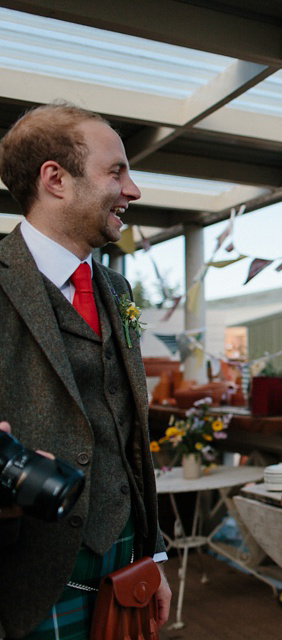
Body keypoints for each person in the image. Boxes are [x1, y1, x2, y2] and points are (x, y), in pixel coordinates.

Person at [0, 102, 171, 639]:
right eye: (116, 171)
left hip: (124, 560)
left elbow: (129, 433)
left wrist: (154, 553)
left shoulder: (116, 288)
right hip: (23, 575)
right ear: (56, 179)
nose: (134, 190)